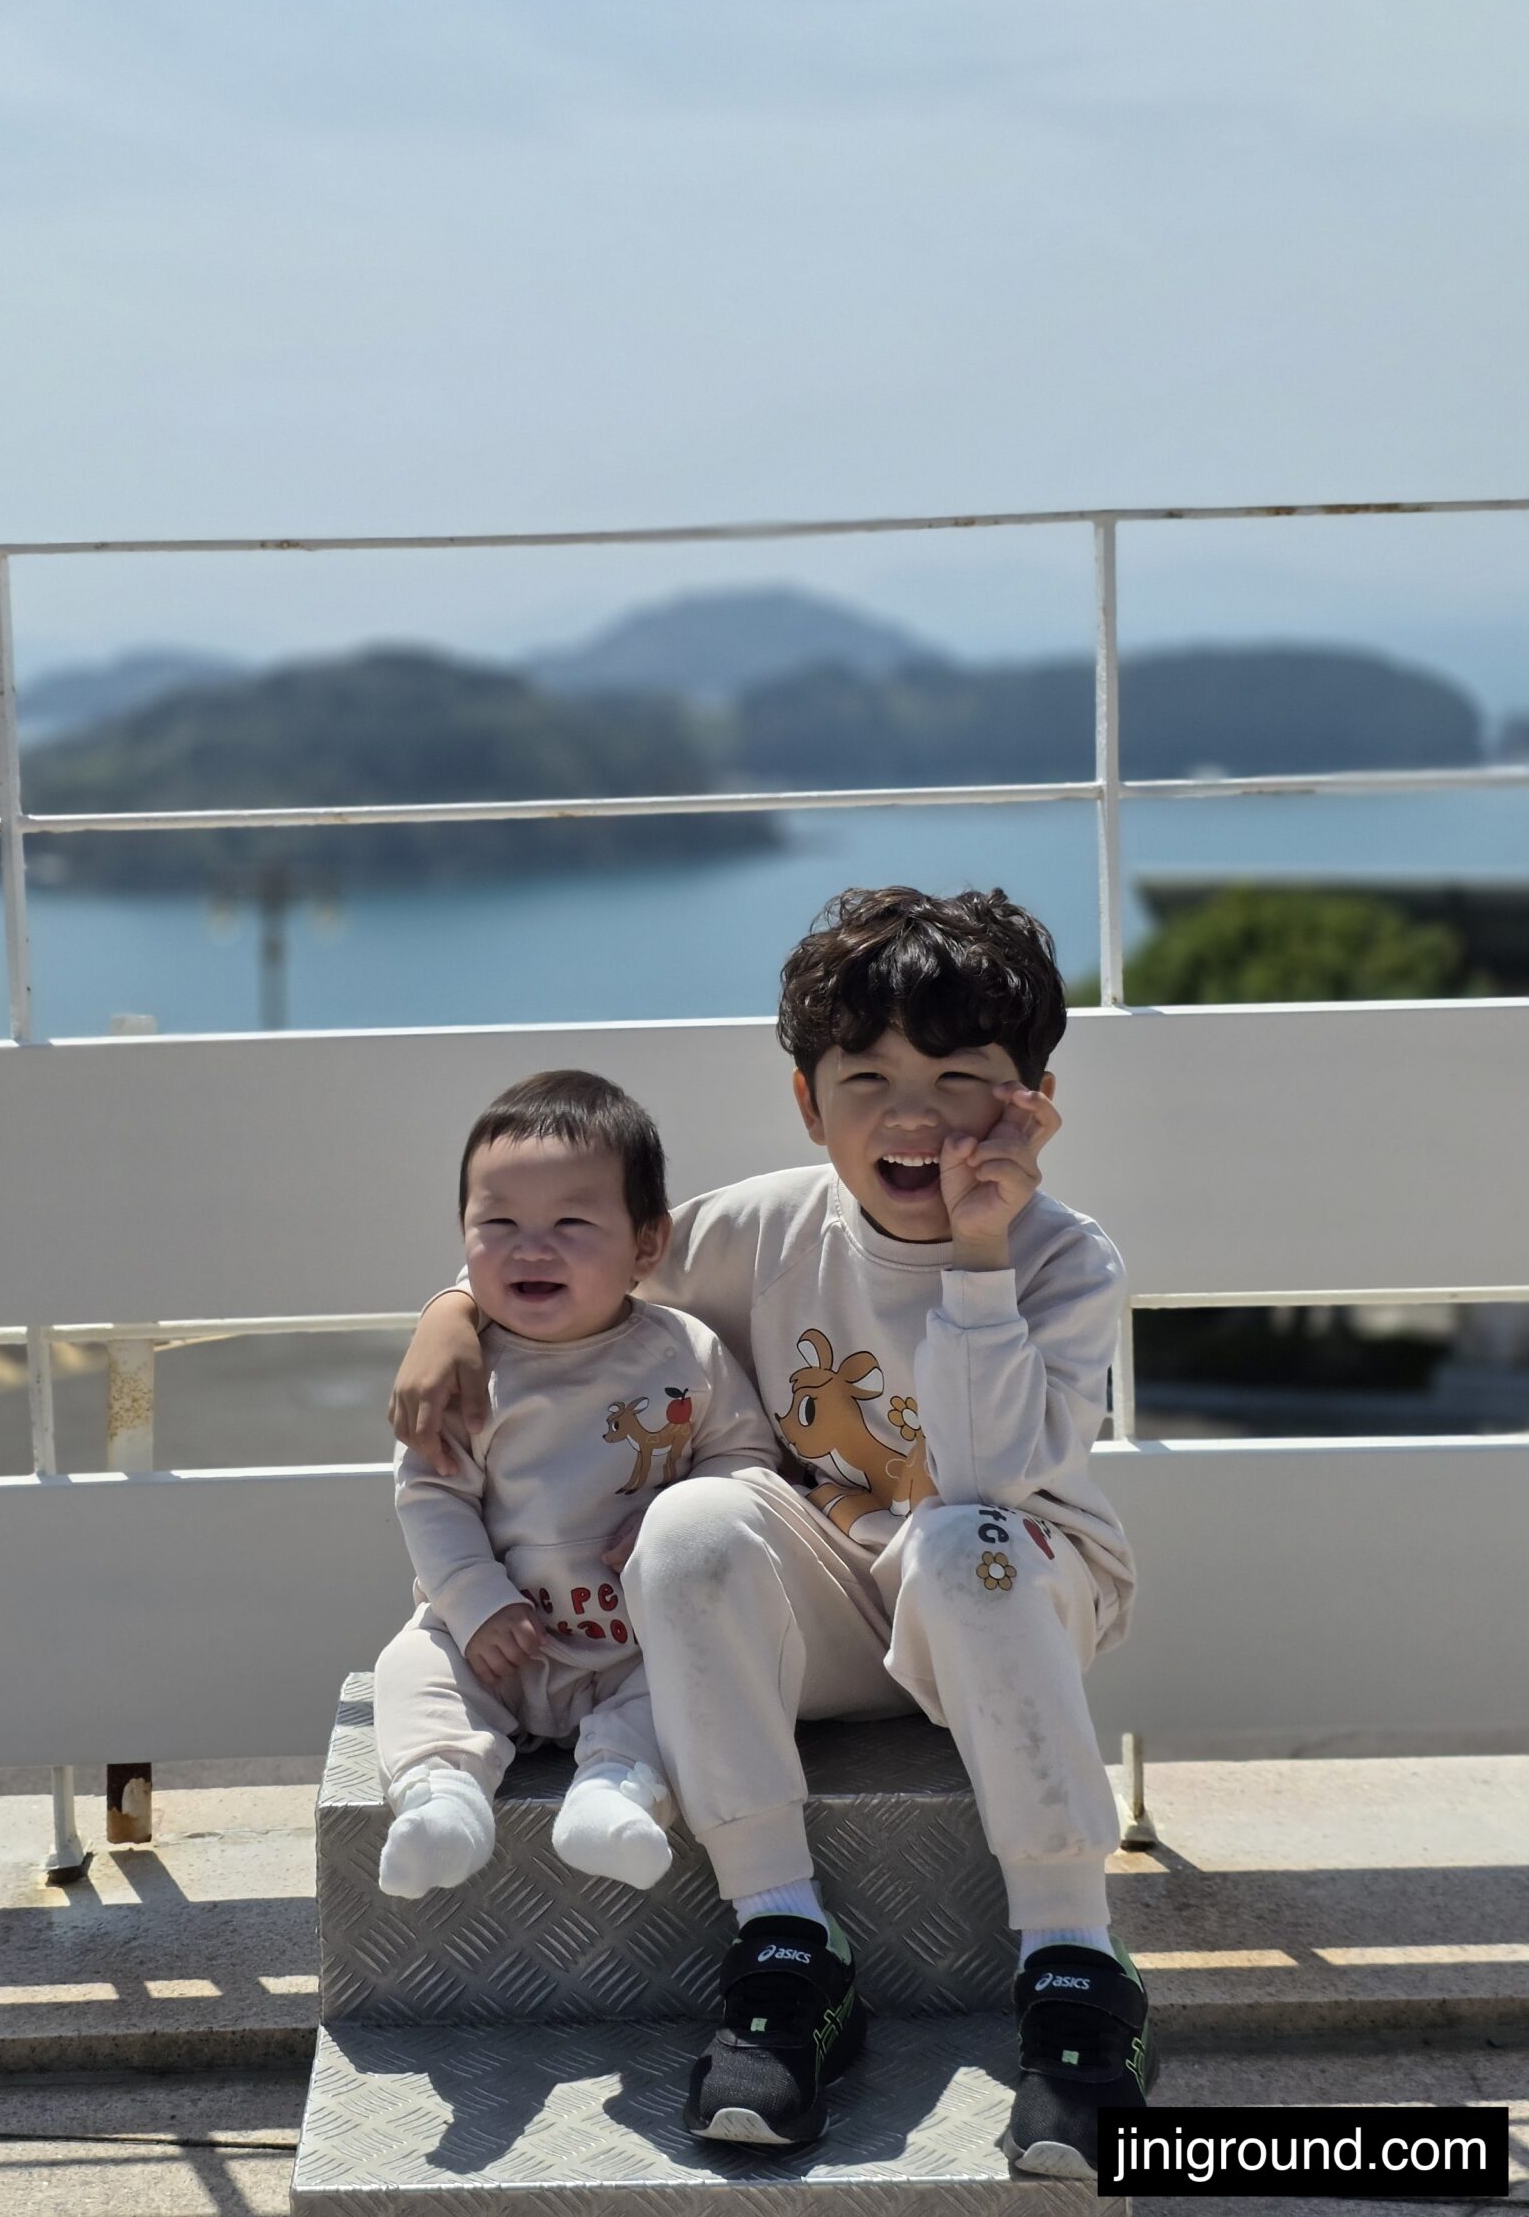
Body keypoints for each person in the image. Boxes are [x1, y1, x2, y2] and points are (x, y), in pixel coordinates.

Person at [388, 887, 1155, 2172]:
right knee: (690, 1519)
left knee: (962, 1542)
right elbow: (570, 1265)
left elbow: (988, 1474)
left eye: (961, 1076)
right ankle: (787, 1938)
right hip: (833, 1607)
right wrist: (451, 1315)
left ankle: (1073, 1961)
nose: (913, 1116)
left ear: (1032, 1097)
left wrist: (975, 1253)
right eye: (867, 1077)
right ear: (809, 1102)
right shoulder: (759, 1227)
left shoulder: (1064, 1262)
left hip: (1009, 1592)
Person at [372, 1066, 775, 1905]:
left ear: (646, 1244)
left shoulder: (683, 1352)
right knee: (412, 1665)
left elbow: (745, 1457)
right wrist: (475, 1600)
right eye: (499, 1222)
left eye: (571, 1223)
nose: (531, 1247)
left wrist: (681, 1507)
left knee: (686, 1686)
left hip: (632, 1643)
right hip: (494, 1642)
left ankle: (618, 1790)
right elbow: (430, 1495)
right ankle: (442, 1798)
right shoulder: (472, 1368)